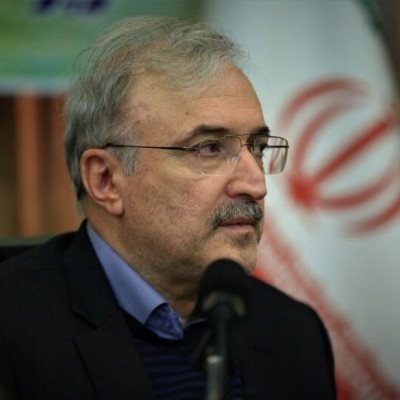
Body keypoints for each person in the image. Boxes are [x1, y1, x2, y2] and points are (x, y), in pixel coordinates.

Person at [0, 16, 336, 400]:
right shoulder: (11, 327)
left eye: (257, 148)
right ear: (105, 180)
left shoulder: (294, 332)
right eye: (209, 148)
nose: (256, 184)